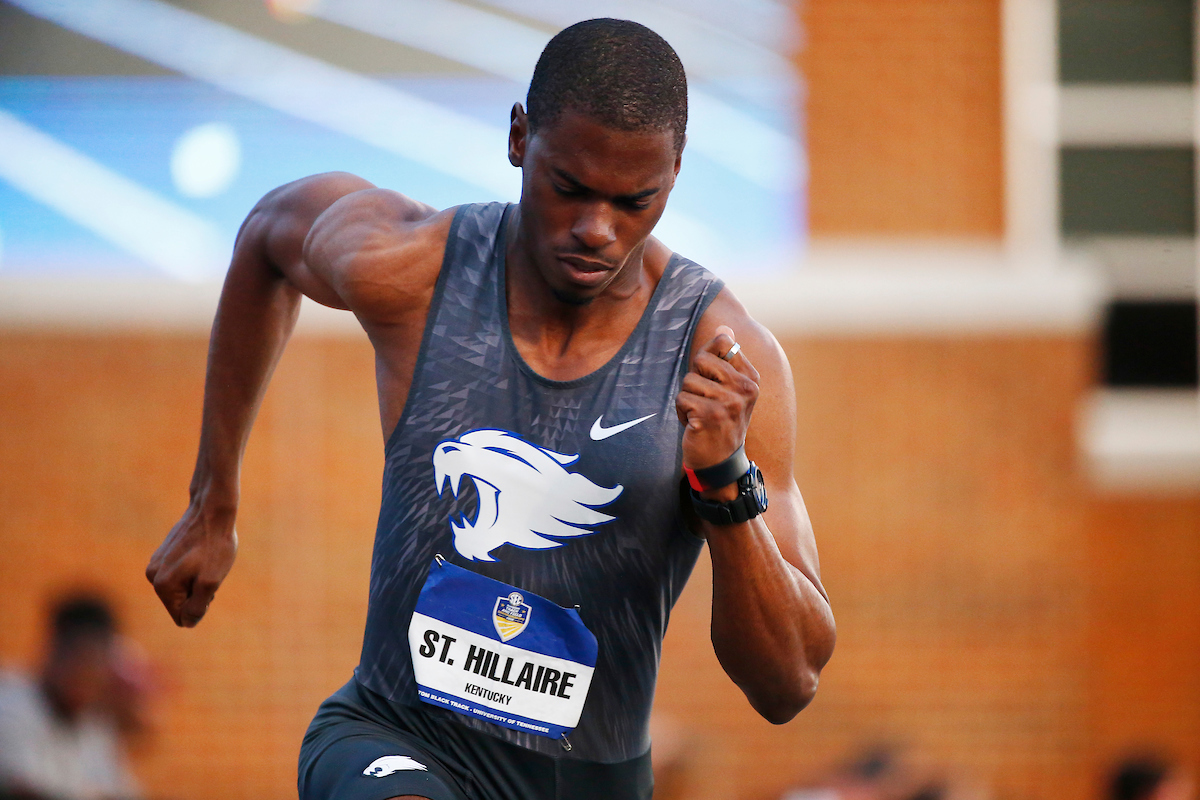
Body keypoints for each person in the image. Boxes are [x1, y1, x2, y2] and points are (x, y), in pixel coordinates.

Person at [145, 18, 835, 800]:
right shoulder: (414, 268)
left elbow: (789, 682)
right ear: (518, 138)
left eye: (634, 200)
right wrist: (213, 501)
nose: (594, 230)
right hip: (393, 734)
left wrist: (723, 482)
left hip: (589, 782)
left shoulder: (723, 359)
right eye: (567, 188)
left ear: (674, 173)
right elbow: (270, 234)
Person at [0, 594, 143, 800]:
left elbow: (120, 789)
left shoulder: (93, 723)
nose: (86, 676)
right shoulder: (9, 703)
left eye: (96, 666)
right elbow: (19, 789)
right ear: (54, 651)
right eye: (79, 660)